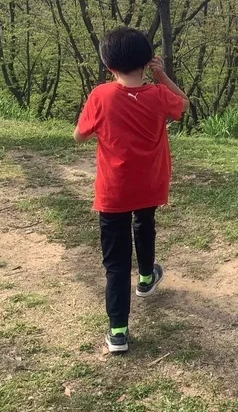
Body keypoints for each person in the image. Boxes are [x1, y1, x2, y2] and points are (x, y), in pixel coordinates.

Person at [74, 27, 189, 354]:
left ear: (109, 65)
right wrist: (161, 74)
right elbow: (184, 104)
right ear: (146, 61)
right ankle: (146, 280)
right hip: (149, 185)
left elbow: (79, 136)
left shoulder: (101, 96)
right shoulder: (158, 94)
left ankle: (119, 331)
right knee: (145, 225)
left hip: (114, 192)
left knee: (116, 262)